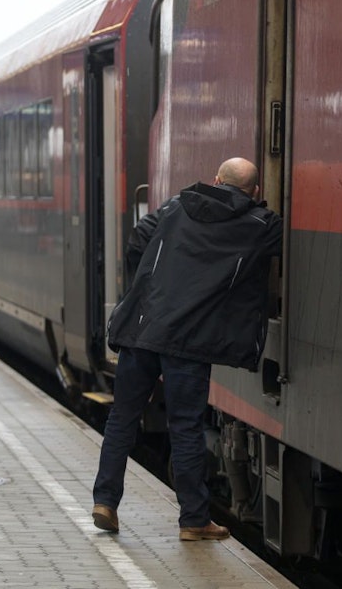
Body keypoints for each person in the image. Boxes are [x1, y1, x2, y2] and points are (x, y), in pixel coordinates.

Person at [92, 157, 283, 540]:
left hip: (142, 329)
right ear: (255, 192)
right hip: (189, 341)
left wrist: (150, 288)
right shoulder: (258, 225)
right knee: (185, 427)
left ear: (215, 179)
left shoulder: (177, 205)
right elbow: (274, 245)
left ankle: (105, 502)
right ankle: (194, 521)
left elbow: (138, 239)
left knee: (122, 419)